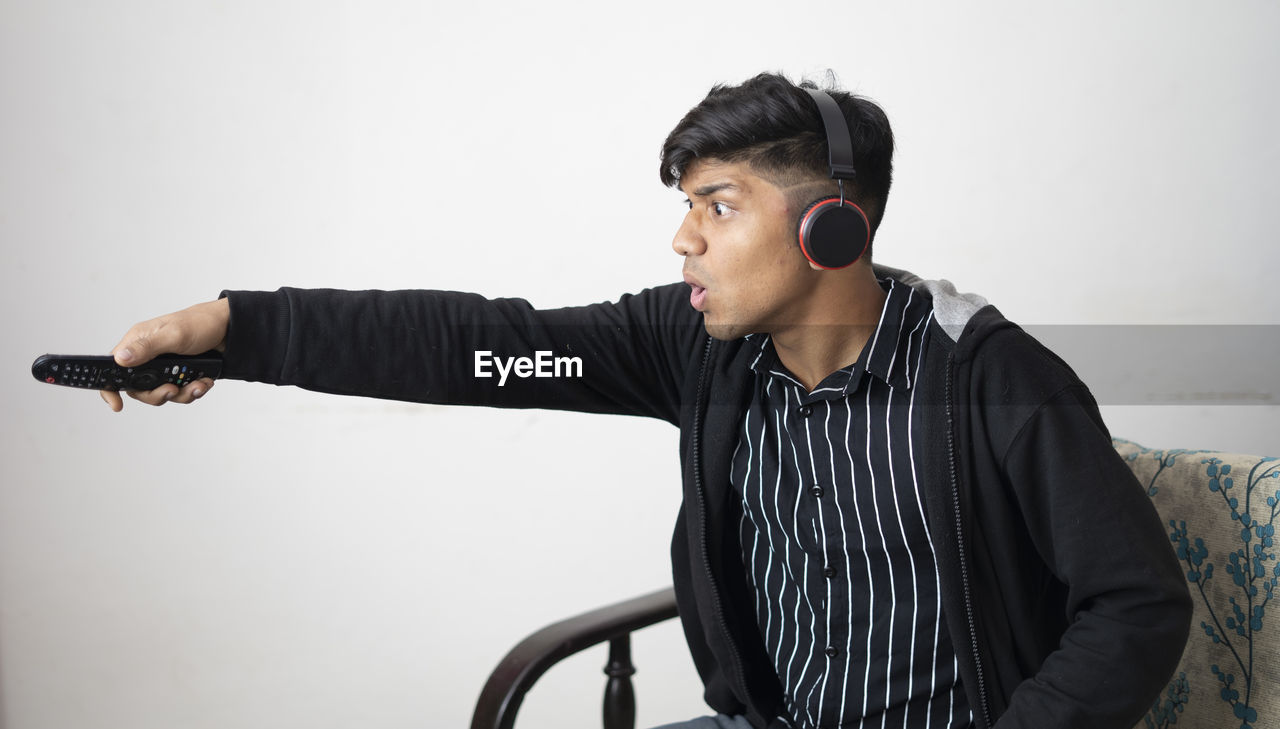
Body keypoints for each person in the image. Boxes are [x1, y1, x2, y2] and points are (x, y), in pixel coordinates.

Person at [98, 73, 1191, 729]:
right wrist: (234, 333)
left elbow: (1133, 604)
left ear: (831, 226)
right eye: (686, 207)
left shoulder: (990, 379)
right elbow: (484, 346)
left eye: (717, 205)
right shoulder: (693, 348)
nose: (684, 239)